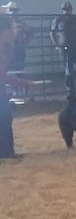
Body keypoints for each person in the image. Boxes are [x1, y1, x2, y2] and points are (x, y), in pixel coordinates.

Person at [0, 14, 35, 159]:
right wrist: (24, 83)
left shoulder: (6, 46)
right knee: (5, 114)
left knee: (5, 113)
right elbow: (2, 76)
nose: (16, 30)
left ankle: (6, 152)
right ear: (6, 30)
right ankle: (6, 153)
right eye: (14, 27)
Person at [50, 2, 76, 98]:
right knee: (69, 71)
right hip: (66, 47)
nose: (66, 11)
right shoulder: (59, 19)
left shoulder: (74, 19)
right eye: (64, 10)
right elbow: (52, 33)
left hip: (75, 46)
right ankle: (71, 92)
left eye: (68, 10)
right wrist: (57, 44)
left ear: (71, 10)